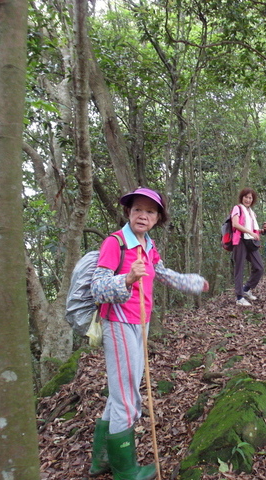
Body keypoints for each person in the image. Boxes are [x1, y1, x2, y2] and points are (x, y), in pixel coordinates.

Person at [88, 187, 209, 479]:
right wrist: (127, 279)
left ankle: (101, 460)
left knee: (120, 393)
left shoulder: (148, 245)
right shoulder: (115, 243)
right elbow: (98, 287)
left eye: (150, 211)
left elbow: (163, 273)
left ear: (158, 218)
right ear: (128, 212)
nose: (143, 215)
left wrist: (193, 282)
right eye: (138, 209)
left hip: (139, 324)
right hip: (119, 324)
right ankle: (126, 471)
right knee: (128, 398)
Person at [230, 187, 266, 306]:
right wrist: (251, 232)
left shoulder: (251, 212)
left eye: (250, 198)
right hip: (240, 241)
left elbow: (253, 229)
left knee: (259, 267)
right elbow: (235, 224)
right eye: (246, 197)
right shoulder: (237, 208)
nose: (248, 200)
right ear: (242, 197)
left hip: (251, 241)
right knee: (239, 268)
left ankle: (246, 289)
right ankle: (239, 297)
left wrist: (263, 230)